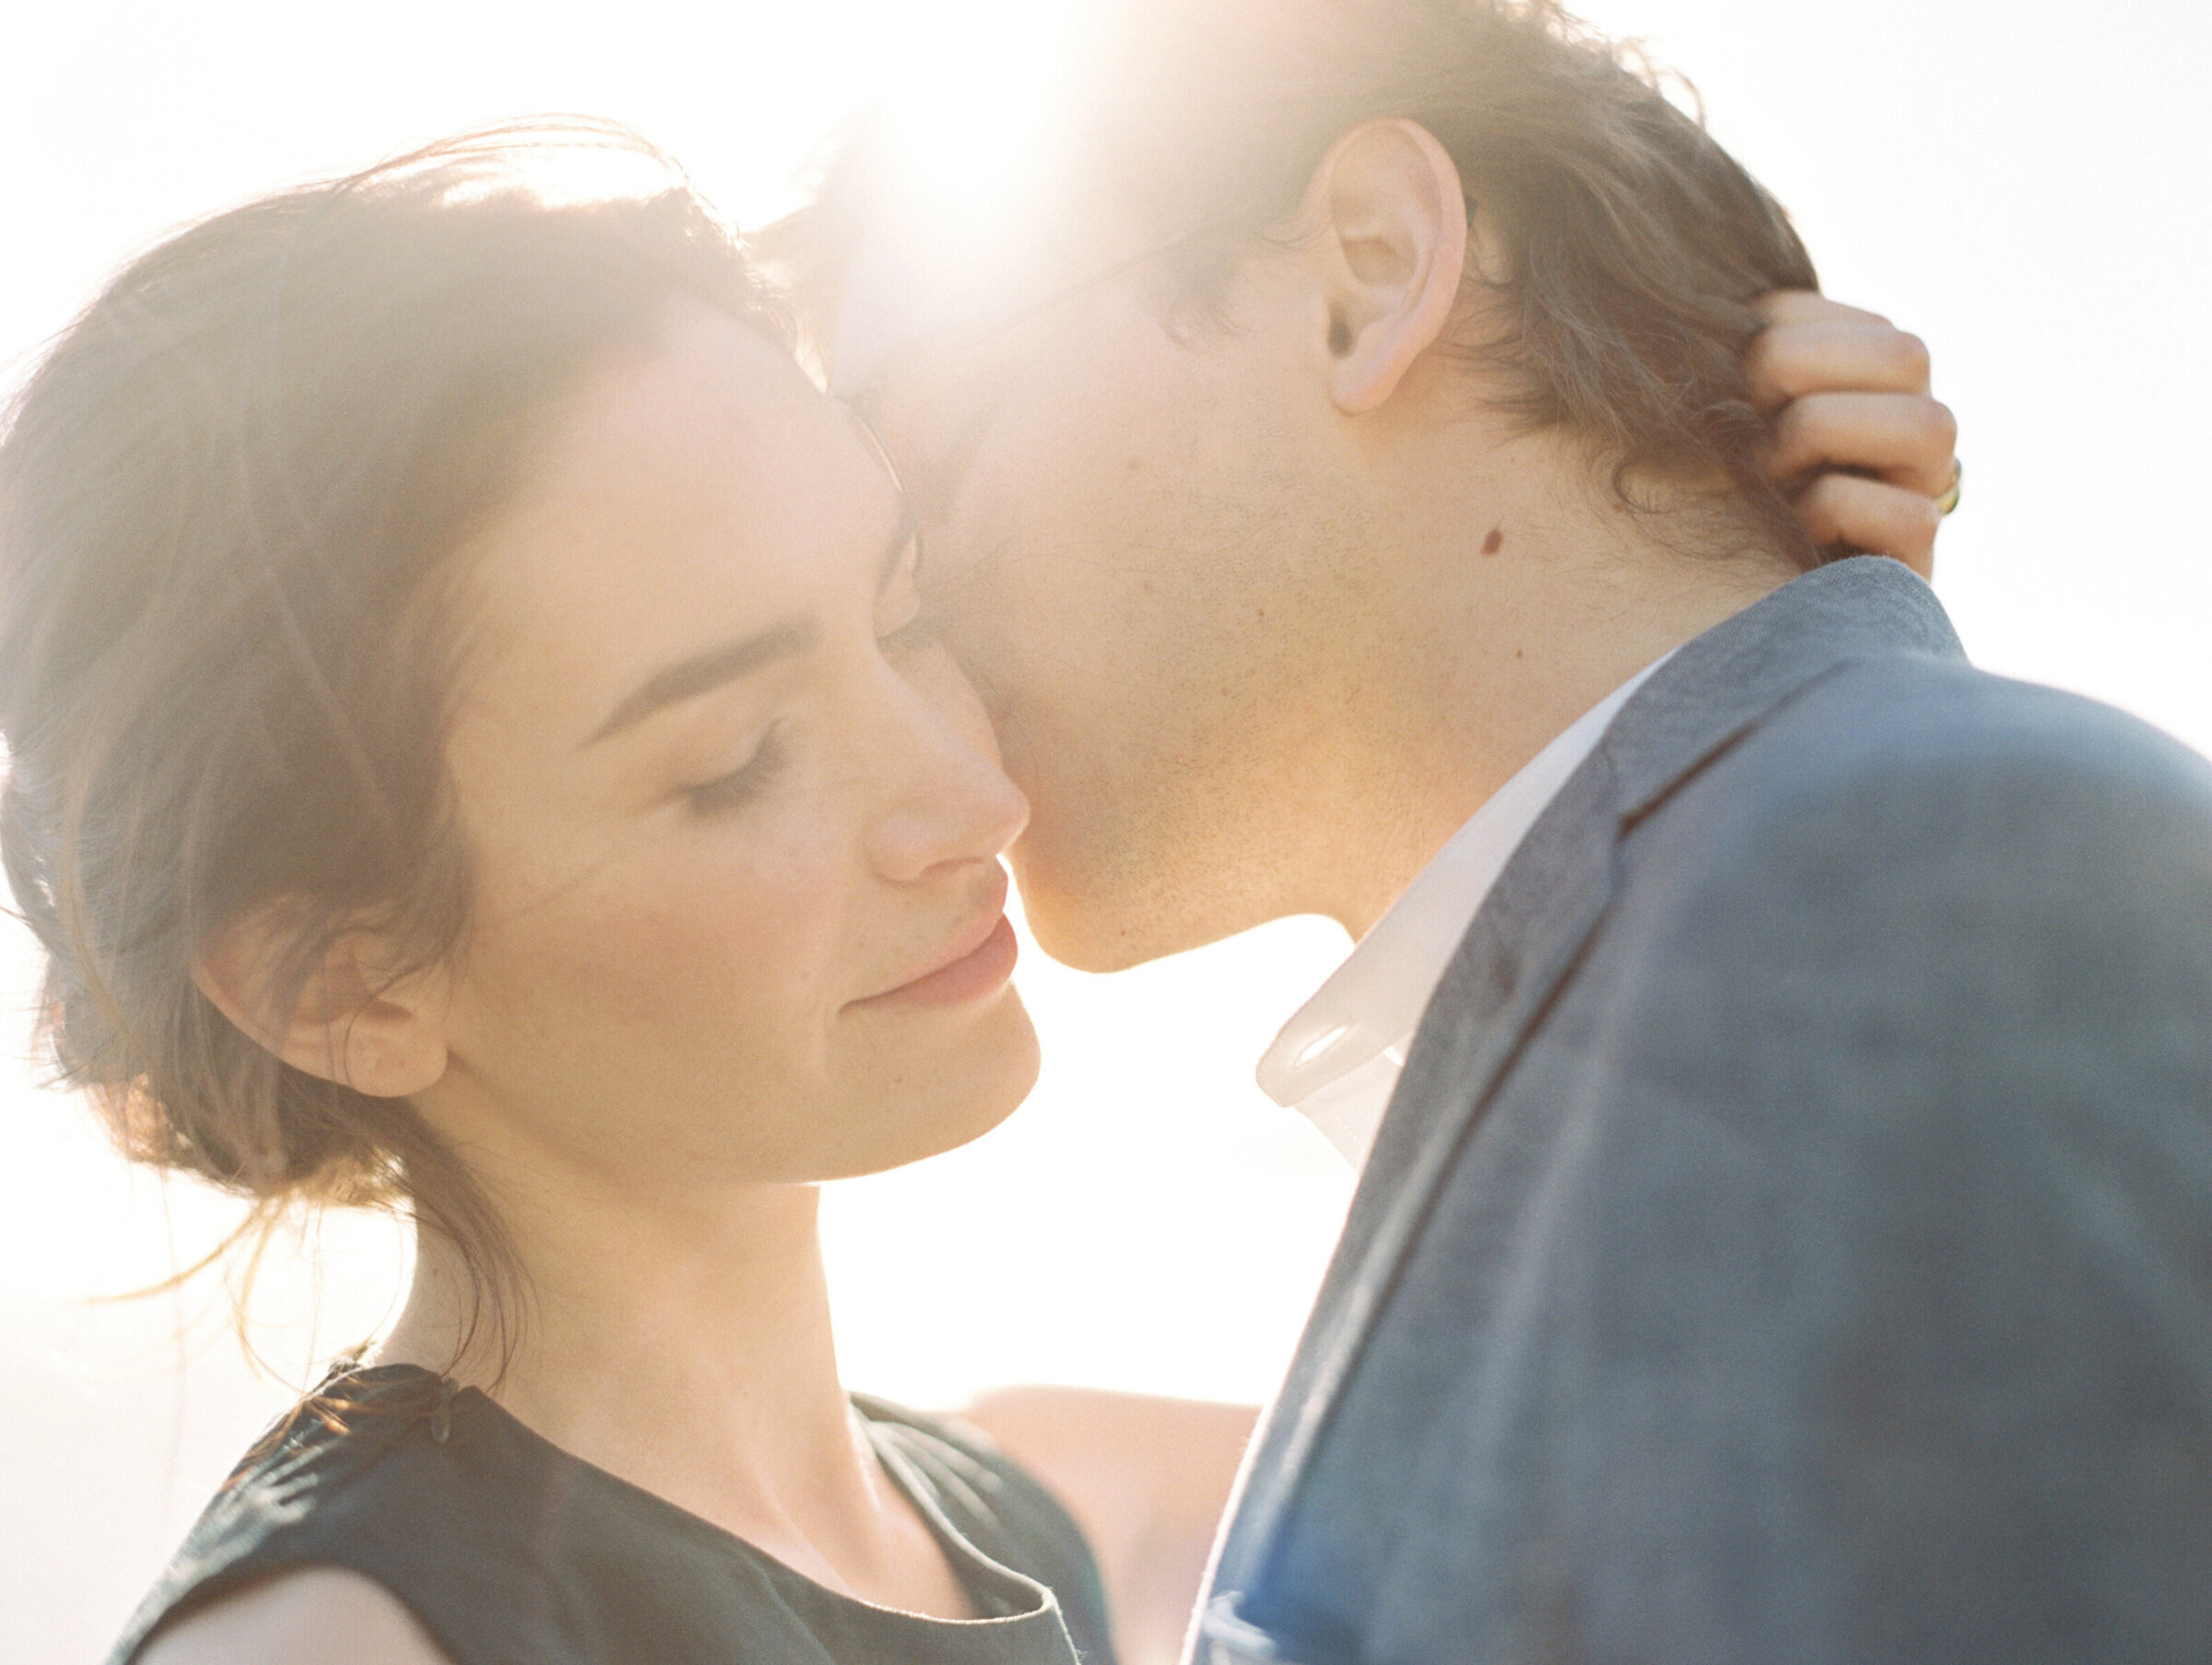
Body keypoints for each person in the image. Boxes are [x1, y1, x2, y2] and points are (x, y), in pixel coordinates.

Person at [3, 77, 1959, 1665]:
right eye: (737, 761)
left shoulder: (1014, 1519)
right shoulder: (344, 1643)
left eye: (909, 604)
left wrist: (1727, 600)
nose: (969, 795)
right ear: (343, 980)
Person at [777, 0, 2212, 1658]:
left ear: (1367, 271)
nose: (905, 625)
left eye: (922, 461)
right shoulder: (1741, 953)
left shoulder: (1926, 893)